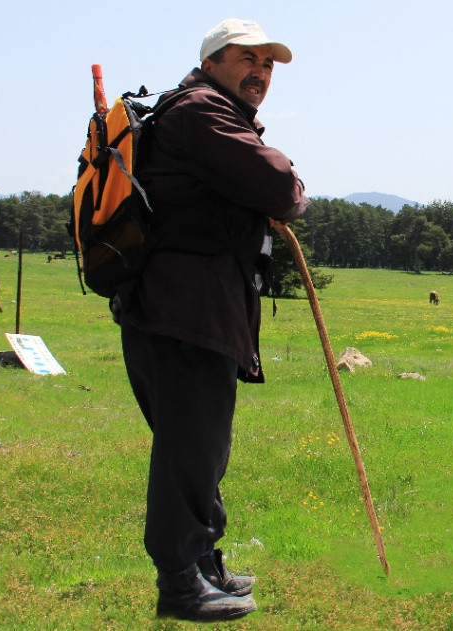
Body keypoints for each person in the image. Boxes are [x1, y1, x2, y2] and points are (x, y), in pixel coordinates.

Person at [116, 18, 308, 622]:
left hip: (185, 308)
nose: (260, 72)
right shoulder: (202, 111)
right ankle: (179, 584)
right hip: (182, 310)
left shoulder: (202, 111)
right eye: (247, 59)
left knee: (201, 445)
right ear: (213, 61)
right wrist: (291, 190)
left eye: (269, 64)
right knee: (189, 449)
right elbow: (279, 185)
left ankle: (203, 562)